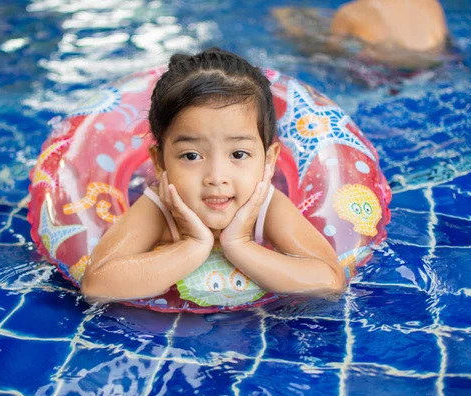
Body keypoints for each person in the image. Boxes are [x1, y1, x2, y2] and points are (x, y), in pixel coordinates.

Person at [81, 48, 344, 303]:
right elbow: (97, 285)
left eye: (238, 154)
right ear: (160, 162)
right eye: (191, 156)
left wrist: (239, 244)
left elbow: (329, 281)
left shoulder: (268, 206)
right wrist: (194, 244)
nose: (217, 177)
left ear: (270, 159)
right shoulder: (157, 207)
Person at [273, 0, 450, 70]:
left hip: (383, 74)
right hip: (439, 68)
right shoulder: (431, 3)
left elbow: (331, 51)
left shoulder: (351, 12)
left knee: (285, 16)